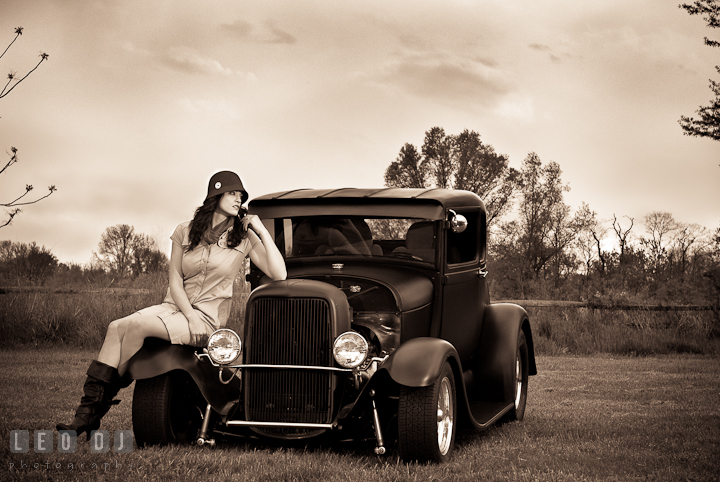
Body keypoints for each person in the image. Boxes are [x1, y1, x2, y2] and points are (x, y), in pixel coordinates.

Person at [56, 171, 287, 438]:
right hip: (176, 308)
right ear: (216, 195)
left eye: (241, 196)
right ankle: (84, 418)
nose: (238, 199)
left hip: (207, 318)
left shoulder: (243, 238)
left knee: (137, 327)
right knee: (115, 326)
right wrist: (188, 316)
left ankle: (105, 397)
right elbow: (175, 280)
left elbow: (279, 273)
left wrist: (259, 229)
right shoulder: (185, 230)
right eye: (232, 193)